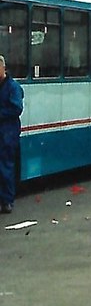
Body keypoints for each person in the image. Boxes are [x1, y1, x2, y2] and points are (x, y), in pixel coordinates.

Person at [0, 54, 25, 214]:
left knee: (6, 167)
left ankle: (7, 201)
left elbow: (17, 108)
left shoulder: (13, 87)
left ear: (3, 68)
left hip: (8, 133)